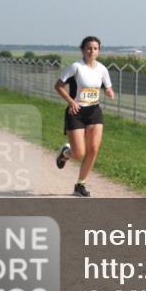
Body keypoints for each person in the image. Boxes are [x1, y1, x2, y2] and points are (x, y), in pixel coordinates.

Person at [54, 36, 114, 197]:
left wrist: (109, 91)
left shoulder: (102, 69)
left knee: (93, 149)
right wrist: (70, 101)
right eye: (88, 48)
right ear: (82, 50)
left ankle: (80, 185)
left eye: (95, 48)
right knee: (79, 153)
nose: (91, 51)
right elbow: (58, 86)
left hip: (94, 111)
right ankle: (65, 153)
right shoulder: (75, 67)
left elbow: (107, 86)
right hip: (76, 112)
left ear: (99, 51)